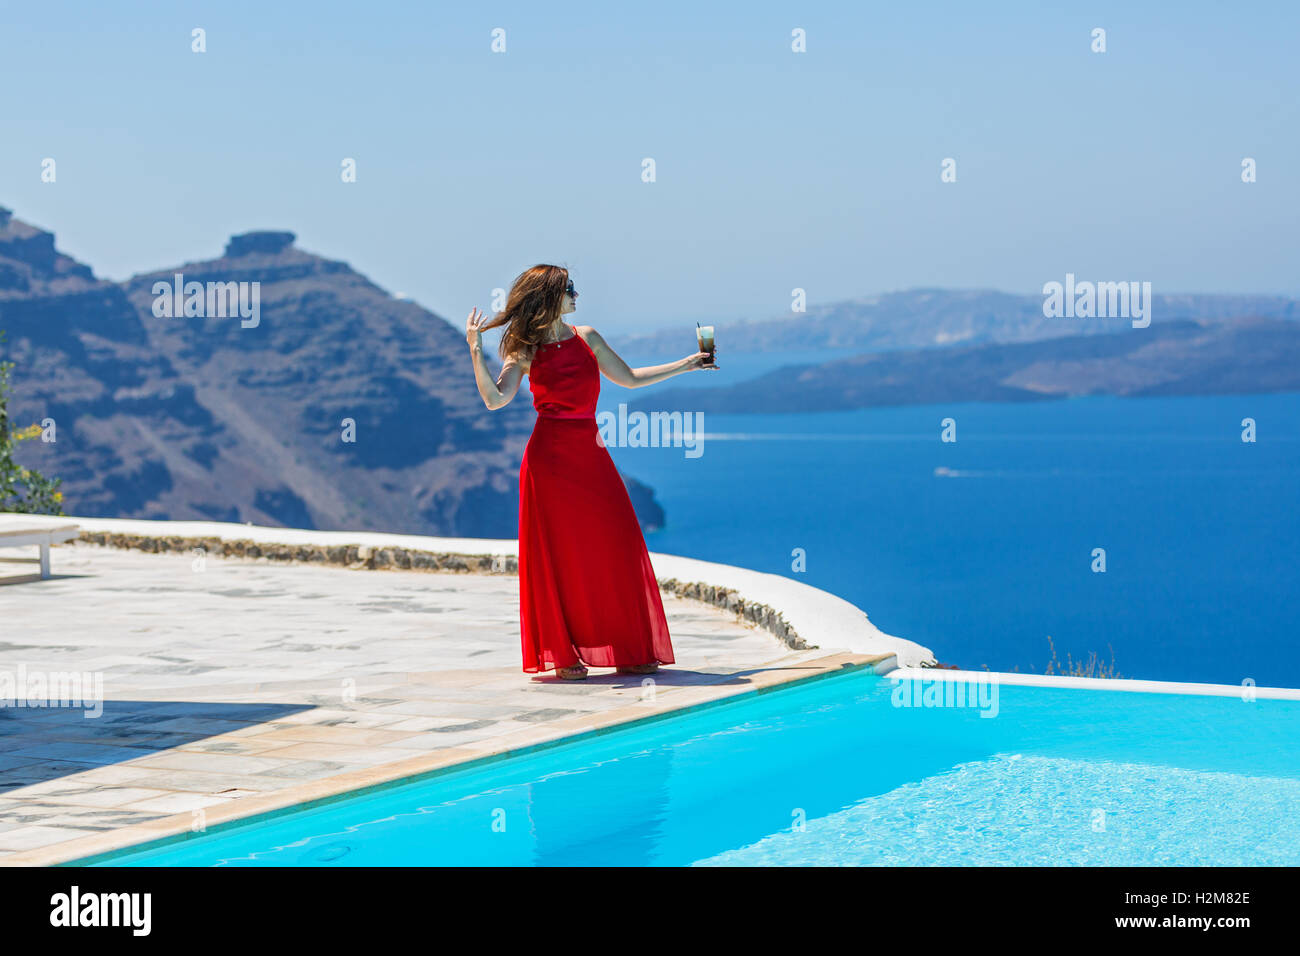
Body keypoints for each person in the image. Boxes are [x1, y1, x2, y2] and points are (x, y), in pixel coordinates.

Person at [466, 264, 711, 679]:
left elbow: (630, 379)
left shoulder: (587, 338)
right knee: (560, 554)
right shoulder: (523, 350)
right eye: (568, 289)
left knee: (615, 541)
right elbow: (494, 399)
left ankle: (627, 646)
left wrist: (688, 364)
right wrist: (475, 349)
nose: (576, 295)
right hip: (548, 462)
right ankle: (565, 656)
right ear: (549, 296)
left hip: (590, 453)